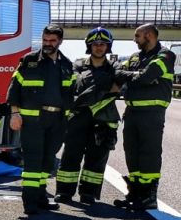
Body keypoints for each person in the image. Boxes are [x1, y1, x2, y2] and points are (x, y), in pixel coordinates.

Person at [54, 27, 134, 205]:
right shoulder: (78, 64)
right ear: (89, 46)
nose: (99, 47)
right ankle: (64, 192)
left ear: (108, 46)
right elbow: (75, 86)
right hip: (78, 116)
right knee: (70, 155)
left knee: (97, 158)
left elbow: (119, 85)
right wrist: (104, 84)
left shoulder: (115, 66)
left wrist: (92, 85)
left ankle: (88, 193)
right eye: (95, 44)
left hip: (104, 119)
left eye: (103, 44)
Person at [7, 25, 75, 215]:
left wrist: (68, 119)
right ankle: (30, 203)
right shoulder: (29, 61)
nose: (47, 44)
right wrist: (14, 113)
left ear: (60, 41)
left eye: (52, 41)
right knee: (33, 162)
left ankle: (41, 197)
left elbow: (69, 94)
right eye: (45, 40)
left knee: (47, 161)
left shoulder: (67, 65)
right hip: (33, 120)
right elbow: (14, 88)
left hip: (58, 120)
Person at [114, 23, 176, 211]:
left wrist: (134, 77)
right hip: (132, 113)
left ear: (149, 35)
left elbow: (147, 77)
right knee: (131, 153)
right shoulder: (135, 57)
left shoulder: (165, 54)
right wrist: (135, 75)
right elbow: (117, 73)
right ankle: (135, 193)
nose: (134, 40)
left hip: (152, 114)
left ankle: (149, 197)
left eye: (137, 36)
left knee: (149, 154)